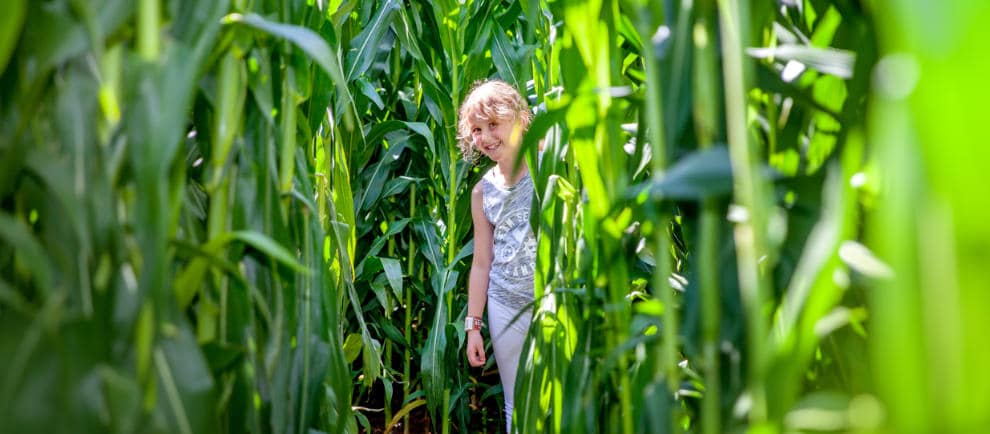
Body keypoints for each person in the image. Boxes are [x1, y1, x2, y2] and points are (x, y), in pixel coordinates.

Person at [457, 79, 536, 432]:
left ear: (519, 119)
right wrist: (473, 326)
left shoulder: (546, 170)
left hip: (551, 300)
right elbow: (481, 263)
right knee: (515, 402)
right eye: (476, 129)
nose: (485, 137)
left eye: (493, 124)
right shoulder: (481, 192)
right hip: (505, 304)